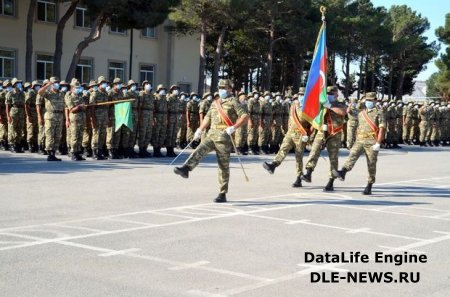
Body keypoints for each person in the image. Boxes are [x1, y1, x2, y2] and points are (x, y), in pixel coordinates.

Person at [174, 79, 249, 203]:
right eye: (220, 87)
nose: (222, 90)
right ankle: (186, 168)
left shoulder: (234, 102)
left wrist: (234, 127)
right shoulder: (215, 103)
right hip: (211, 134)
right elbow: (207, 118)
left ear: (230, 89)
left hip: (224, 137)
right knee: (199, 150)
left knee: (223, 166)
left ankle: (222, 193)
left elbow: (245, 116)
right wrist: (199, 129)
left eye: (224, 88)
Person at [332, 92, 386, 195]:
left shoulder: (379, 113)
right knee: (352, 155)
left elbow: (382, 129)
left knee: (371, 164)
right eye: (367, 100)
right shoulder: (361, 113)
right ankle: (343, 172)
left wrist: (378, 143)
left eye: (371, 100)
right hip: (360, 140)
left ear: (375, 101)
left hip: (371, 141)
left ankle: (369, 185)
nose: (369, 102)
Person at [302, 86, 347, 191]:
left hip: (334, 134)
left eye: (332, 94)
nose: (330, 96)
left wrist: (329, 106)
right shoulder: (322, 104)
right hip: (322, 132)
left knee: (333, 158)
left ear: (336, 94)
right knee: (314, 152)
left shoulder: (340, 104)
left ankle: (331, 182)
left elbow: (343, 112)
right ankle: (308, 173)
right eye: (328, 94)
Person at [262, 96, 311, 187]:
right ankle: (273, 165)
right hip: (290, 132)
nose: (300, 97)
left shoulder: (309, 108)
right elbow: (290, 119)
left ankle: (298, 177)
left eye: (302, 95)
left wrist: (308, 136)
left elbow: (312, 124)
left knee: (298, 156)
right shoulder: (293, 106)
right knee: (283, 148)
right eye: (299, 95)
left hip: (300, 134)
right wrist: (286, 130)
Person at [37, 77, 65, 161]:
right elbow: (39, 92)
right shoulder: (48, 93)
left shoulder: (61, 94)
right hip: (50, 116)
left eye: (57, 82)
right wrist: (48, 85)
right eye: (54, 83)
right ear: (51, 84)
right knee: (50, 135)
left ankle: (53, 152)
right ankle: (49, 154)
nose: (57, 84)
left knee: (57, 136)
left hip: (59, 116)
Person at [89, 76, 111, 160]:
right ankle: (94, 152)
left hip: (104, 116)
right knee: (96, 134)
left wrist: (108, 117)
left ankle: (100, 151)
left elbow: (107, 107)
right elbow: (91, 107)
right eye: (103, 83)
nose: (104, 84)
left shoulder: (105, 93)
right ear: (99, 84)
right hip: (97, 117)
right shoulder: (95, 93)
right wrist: (93, 119)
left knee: (102, 134)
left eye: (105, 82)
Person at [65, 81, 87, 161]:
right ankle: (73, 153)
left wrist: (83, 107)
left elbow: (85, 106)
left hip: (82, 118)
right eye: (76, 88)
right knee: (74, 137)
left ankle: (78, 153)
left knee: (80, 136)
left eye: (78, 88)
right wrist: (79, 107)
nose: (77, 89)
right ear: (72, 88)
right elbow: (71, 109)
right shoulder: (69, 97)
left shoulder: (80, 96)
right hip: (74, 119)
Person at [5, 78, 26, 153]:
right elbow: (7, 106)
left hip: (21, 112)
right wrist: (8, 116)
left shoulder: (22, 93)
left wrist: (25, 113)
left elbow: (24, 104)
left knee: (19, 129)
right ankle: (11, 145)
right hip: (13, 112)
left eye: (19, 83)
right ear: (14, 85)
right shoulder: (10, 93)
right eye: (17, 83)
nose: (19, 84)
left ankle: (18, 144)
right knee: (12, 129)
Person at [137, 80, 154, 158]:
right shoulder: (142, 94)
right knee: (142, 132)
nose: (148, 85)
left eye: (149, 84)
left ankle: (145, 148)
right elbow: (139, 107)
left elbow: (153, 107)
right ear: (143, 86)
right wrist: (139, 118)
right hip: (144, 114)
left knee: (148, 133)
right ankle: (141, 150)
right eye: (146, 84)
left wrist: (153, 119)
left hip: (150, 115)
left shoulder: (151, 95)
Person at [152, 84, 168, 157]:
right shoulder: (155, 97)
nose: (162, 90)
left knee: (162, 134)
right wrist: (153, 119)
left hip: (164, 117)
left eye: (163, 89)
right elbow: (153, 109)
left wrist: (166, 119)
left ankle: (159, 149)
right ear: (158, 90)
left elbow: (166, 109)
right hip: (157, 117)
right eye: (161, 89)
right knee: (156, 134)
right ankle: (155, 151)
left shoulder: (165, 98)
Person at [165, 85, 180, 157]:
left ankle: (172, 150)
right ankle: (168, 150)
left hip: (176, 117)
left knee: (174, 135)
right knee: (169, 134)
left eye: (177, 89)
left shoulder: (177, 99)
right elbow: (167, 109)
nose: (176, 90)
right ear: (171, 90)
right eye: (174, 89)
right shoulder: (169, 98)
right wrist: (167, 119)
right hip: (170, 116)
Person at [247, 90, 261, 155]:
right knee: (251, 134)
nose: (257, 95)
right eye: (255, 93)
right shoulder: (251, 101)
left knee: (255, 134)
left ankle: (253, 148)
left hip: (257, 120)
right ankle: (249, 148)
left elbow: (259, 112)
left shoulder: (258, 102)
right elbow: (249, 112)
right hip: (252, 119)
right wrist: (250, 121)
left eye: (257, 94)